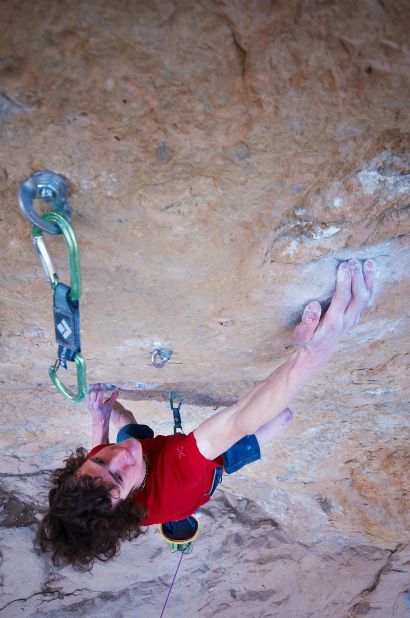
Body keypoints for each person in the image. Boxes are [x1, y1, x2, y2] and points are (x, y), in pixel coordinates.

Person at [38, 258, 376, 570]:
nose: (117, 456)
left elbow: (108, 467)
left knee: (123, 426)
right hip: (199, 473)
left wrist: (99, 423)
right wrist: (309, 356)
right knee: (276, 419)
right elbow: (238, 418)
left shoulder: (101, 489)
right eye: (118, 477)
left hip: (151, 465)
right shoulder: (176, 481)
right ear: (128, 501)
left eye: (97, 462)